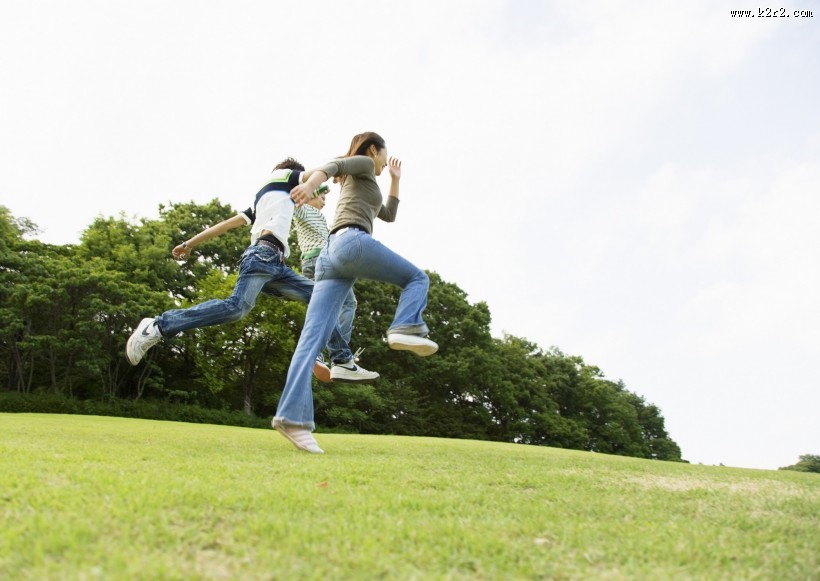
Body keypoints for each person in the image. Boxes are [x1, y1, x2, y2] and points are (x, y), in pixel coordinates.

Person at [124, 157, 378, 384]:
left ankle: (342, 360)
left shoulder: (262, 203)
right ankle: (158, 326)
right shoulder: (284, 177)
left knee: (322, 297)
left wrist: (188, 243)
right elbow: (323, 170)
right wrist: (358, 158)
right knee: (236, 308)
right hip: (262, 256)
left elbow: (224, 225)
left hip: (274, 264)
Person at [272, 132, 437, 454]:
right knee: (417, 279)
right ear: (374, 150)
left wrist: (395, 180)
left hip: (331, 258)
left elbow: (388, 215)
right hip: (350, 243)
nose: (383, 161)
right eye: (384, 155)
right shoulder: (361, 163)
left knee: (311, 340)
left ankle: (291, 418)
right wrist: (309, 185)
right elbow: (333, 164)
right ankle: (405, 327)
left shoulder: (367, 184)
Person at [292, 190, 364, 381]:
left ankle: (318, 355)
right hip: (321, 262)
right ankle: (341, 357)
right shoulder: (304, 209)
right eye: (322, 199)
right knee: (349, 304)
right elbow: (296, 198)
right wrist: (319, 186)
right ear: (312, 196)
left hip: (313, 263)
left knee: (321, 311)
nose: (324, 203)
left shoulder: (319, 219)